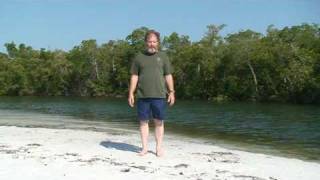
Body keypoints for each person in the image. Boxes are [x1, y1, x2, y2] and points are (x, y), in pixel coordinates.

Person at [128, 30, 175, 157]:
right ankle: (144, 148)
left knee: (159, 122)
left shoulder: (163, 56)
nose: (152, 44)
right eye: (149, 41)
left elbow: (168, 75)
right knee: (143, 122)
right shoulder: (139, 57)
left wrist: (171, 92)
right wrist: (131, 93)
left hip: (159, 95)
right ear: (145, 42)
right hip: (142, 95)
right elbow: (134, 76)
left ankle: (158, 148)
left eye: (154, 42)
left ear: (158, 43)